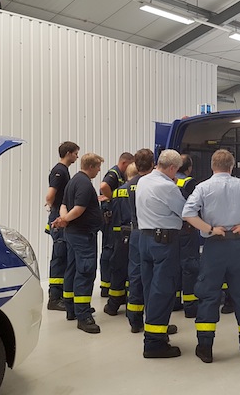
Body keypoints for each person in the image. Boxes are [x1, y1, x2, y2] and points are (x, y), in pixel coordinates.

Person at [182, 149, 240, 363]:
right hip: (238, 245)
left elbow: (187, 213)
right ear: (231, 167)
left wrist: (210, 229)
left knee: (209, 295)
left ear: (212, 166)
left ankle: (205, 348)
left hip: (214, 246)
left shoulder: (203, 187)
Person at [136, 149, 186, 358]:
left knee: (151, 288)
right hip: (164, 243)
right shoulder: (168, 187)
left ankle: (156, 328)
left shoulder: (143, 181)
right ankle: (154, 343)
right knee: (163, 289)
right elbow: (185, 212)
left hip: (145, 239)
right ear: (172, 168)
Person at [52, 153, 104, 334]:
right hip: (83, 235)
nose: (99, 171)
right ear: (91, 166)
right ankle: (83, 316)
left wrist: (63, 218)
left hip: (73, 234)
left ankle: (72, 308)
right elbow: (79, 209)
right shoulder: (84, 183)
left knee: (72, 269)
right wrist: (65, 219)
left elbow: (63, 205)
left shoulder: (73, 181)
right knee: (85, 272)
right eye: (98, 167)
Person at [44, 141, 79, 311]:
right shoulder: (59, 171)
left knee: (63, 256)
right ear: (68, 153)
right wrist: (54, 208)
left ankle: (62, 295)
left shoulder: (63, 170)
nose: (77, 157)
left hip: (60, 216)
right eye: (75, 153)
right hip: (58, 218)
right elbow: (50, 195)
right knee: (59, 257)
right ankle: (54, 298)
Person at [125, 149, 155, 333]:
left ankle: (135, 320)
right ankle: (154, 319)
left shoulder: (130, 185)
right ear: (153, 163)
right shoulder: (153, 183)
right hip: (150, 233)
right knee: (153, 277)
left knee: (135, 275)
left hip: (135, 232)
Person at [103, 162, 138, 316]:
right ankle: (133, 304)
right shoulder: (142, 189)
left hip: (119, 235)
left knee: (118, 269)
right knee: (134, 270)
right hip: (136, 234)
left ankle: (113, 305)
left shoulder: (117, 192)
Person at [99, 152, 135, 297]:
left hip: (115, 219)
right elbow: (104, 186)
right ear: (124, 163)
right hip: (110, 219)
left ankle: (109, 286)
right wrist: (112, 198)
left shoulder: (120, 176)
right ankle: (106, 286)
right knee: (110, 250)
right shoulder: (114, 173)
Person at [175, 154, 200, 318]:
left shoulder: (169, 180)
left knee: (175, 265)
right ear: (189, 168)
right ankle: (191, 306)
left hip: (172, 229)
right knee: (189, 266)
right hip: (188, 228)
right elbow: (197, 205)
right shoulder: (189, 183)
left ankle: (175, 301)